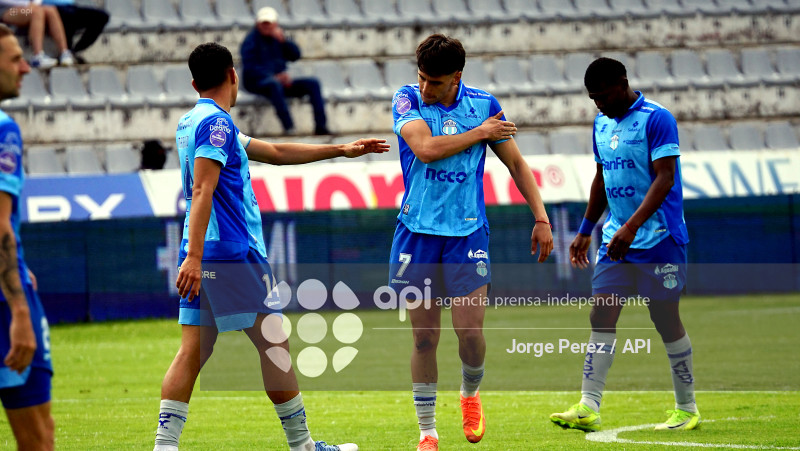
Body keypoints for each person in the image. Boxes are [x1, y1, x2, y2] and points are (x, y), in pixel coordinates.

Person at [153, 42, 389, 451]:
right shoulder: (218, 125)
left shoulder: (195, 121)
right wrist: (193, 257)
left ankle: (164, 447)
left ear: (194, 83)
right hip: (230, 252)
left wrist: (341, 150)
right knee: (274, 344)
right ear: (233, 74)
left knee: (193, 349)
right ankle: (303, 446)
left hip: (207, 253)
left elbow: (276, 152)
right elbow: (202, 187)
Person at [389, 34, 553, 451]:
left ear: (457, 77)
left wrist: (541, 216)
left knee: (469, 332)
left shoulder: (483, 104)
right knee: (424, 338)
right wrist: (479, 133)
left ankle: (470, 395)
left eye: (435, 82)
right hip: (417, 233)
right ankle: (427, 432)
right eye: (422, 78)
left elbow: (515, 161)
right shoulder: (407, 99)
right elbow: (424, 149)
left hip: (466, 233)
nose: (426, 87)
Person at [550, 57, 699, 432]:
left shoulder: (657, 118)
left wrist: (632, 226)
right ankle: (588, 406)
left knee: (665, 319)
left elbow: (665, 179)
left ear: (623, 82)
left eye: (603, 95)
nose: (599, 104)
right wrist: (585, 229)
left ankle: (687, 408)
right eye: (592, 98)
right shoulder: (601, 123)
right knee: (601, 313)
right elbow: (602, 178)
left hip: (660, 238)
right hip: (618, 237)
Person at [0, 23, 54, 450]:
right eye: (15, 59)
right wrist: (19, 307)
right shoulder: (4, 130)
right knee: (38, 436)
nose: (24, 69)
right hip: (4, 302)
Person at [240, 6, 329, 136]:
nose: (266, 26)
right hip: (257, 83)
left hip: (278, 81)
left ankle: (321, 127)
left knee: (313, 83)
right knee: (274, 85)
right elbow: (250, 67)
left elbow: (295, 55)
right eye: (263, 23)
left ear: (275, 24)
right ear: (257, 24)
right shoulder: (250, 41)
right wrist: (274, 76)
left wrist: (284, 41)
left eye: (269, 23)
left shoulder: (278, 39)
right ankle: (289, 127)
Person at [0, 0, 74, 68]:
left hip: (27, 7)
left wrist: (35, 3)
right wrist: (27, 4)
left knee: (51, 10)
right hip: (9, 10)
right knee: (36, 12)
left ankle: (64, 53)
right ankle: (38, 56)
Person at [41, 0, 109, 64]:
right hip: (51, 9)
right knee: (68, 16)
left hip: (71, 6)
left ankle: (77, 50)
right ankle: (66, 51)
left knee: (102, 17)